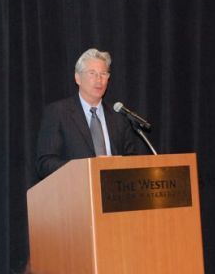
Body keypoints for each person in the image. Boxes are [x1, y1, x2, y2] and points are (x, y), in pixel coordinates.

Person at [35, 48, 144, 179]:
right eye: (92, 73)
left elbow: (131, 160)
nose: (99, 80)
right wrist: (87, 168)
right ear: (78, 78)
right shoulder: (58, 113)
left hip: (114, 193)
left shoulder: (119, 116)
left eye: (103, 74)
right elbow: (45, 163)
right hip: (76, 192)